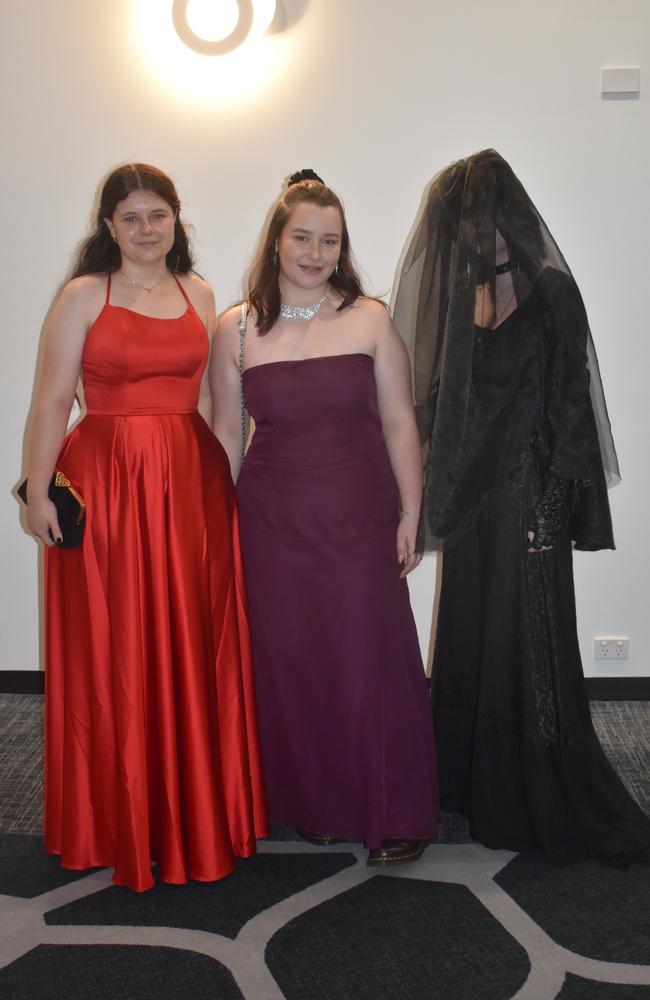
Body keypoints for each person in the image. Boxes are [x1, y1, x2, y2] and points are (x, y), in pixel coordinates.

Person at [392, 148, 650, 864]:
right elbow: (439, 403)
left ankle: (536, 783)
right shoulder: (457, 295)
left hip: (530, 489)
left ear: (509, 215)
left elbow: (572, 406)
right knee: (471, 630)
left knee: (529, 639)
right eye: (462, 222)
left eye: (481, 218)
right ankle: (472, 782)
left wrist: (559, 506)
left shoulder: (552, 294)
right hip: (474, 494)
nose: (474, 234)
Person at [24, 163, 268, 891]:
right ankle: (112, 818)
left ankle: (191, 812)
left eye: (157, 214)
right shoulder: (80, 297)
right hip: (103, 486)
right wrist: (39, 493)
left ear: (176, 219)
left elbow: (219, 404)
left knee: (190, 641)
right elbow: (49, 404)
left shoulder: (200, 294)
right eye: (130, 217)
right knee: (112, 647)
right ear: (108, 227)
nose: (145, 228)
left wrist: (225, 490)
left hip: (188, 485)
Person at [212, 170, 438, 865]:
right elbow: (224, 437)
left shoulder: (369, 315)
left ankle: (396, 810)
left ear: (343, 247)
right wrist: (214, 530)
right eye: (302, 238)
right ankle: (312, 801)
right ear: (276, 242)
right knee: (291, 662)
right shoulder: (237, 328)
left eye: (329, 241)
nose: (314, 253)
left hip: (360, 514)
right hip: (270, 522)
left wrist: (411, 512)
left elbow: (401, 422)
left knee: (371, 658)